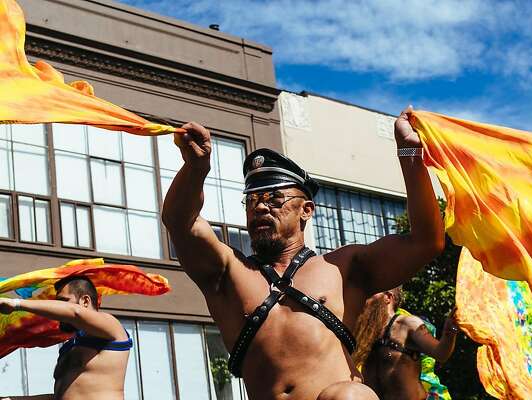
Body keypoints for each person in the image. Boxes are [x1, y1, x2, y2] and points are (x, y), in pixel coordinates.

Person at [162, 106, 445, 400]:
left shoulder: (344, 267)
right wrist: (196, 169)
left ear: (306, 210)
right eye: (252, 200)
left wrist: (410, 155)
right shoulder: (227, 272)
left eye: (274, 198)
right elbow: (181, 223)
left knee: (349, 395)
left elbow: (426, 242)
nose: (260, 207)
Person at [0, 276, 132, 400]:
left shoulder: (112, 327)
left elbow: (75, 312)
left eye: (63, 302)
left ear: (85, 301)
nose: (58, 310)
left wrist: (16, 304)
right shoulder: (70, 347)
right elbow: (62, 395)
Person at [353, 287, 458, 400]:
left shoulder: (407, 324)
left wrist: (449, 333)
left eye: (370, 294)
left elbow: (441, 353)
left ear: (388, 297)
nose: (364, 299)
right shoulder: (362, 334)